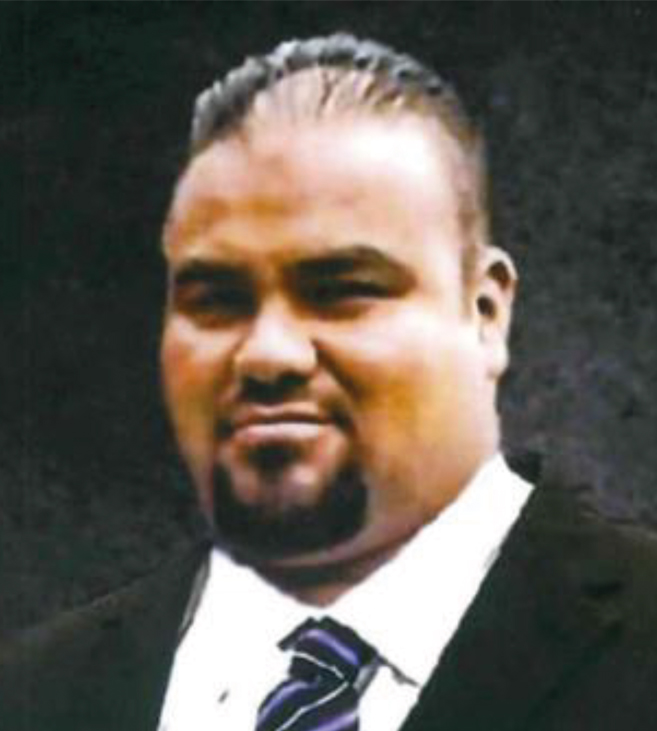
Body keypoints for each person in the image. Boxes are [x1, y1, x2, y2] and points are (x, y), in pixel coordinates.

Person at [2, 33, 657, 731]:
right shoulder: (37, 694)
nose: (267, 354)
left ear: (484, 312)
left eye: (343, 290)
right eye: (215, 299)